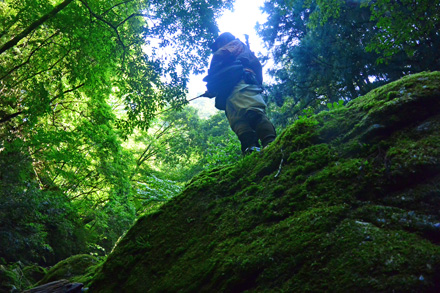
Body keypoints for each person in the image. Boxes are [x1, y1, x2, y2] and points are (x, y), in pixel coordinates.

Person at [202, 32, 276, 155]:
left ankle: (270, 143)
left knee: (252, 111)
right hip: (228, 93)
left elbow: (219, 57)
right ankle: (251, 150)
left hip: (242, 82)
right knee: (238, 123)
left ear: (225, 40)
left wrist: (213, 79)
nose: (216, 47)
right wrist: (212, 90)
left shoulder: (234, 44)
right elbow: (221, 74)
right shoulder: (228, 52)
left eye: (218, 44)